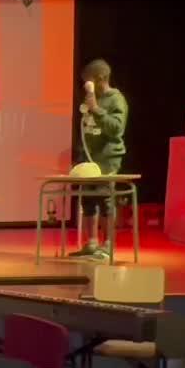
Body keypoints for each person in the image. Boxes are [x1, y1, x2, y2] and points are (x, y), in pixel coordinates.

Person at [72, 59, 129, 261]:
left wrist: (97, 109)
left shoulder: (116, 100)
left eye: (88, 80)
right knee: (88, 198)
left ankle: (108, 245)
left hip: (107, 158)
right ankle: (92, 243)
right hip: (89, 157)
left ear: (100, 78)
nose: (86, 85)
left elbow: (116, 128)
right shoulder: (90, 99)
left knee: (105, 198)